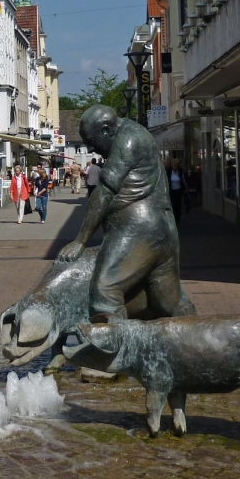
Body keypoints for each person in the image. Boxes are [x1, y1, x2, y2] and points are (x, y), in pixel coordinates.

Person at [58, 105, 196, 320]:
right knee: (167, 302)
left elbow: (104, 192)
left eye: (92, 142)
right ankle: (194, 340)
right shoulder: (133, 133)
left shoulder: (128, 139)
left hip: (139, 230)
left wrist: (81, 240)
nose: (92, 149)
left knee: (104, 293)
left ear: (105, 130)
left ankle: (116, 349)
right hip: (159, 230)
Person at [166, 157, 187, 225]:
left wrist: (186, 187)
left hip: (178, 189)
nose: (175, 167)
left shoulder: (180, 171)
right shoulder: (169, 171)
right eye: (174, 165)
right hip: (171, 190)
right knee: (172, 204)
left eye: (176, 166)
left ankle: (177, 219)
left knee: (178, 204)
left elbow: (183, 179)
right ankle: (172, 218)